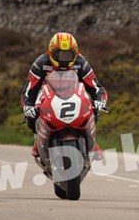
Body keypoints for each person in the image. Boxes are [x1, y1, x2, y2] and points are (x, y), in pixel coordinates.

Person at [21, 32, 108, 160]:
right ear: (51, 52)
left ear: (75, 53)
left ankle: (91, 141)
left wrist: (99, 100)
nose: (64, 59)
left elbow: (95, 86)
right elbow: (29, 90)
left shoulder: (81, 62)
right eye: (60, 54)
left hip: (75, 94)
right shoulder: (40, 63)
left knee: (93, 110)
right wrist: (28, 106)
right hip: (47, 96)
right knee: (31, 116)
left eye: (68, 55)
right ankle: (38, 141)